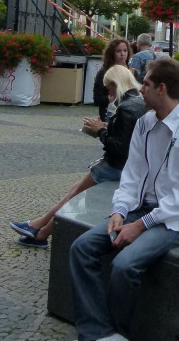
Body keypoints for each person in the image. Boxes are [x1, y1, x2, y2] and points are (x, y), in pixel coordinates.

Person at [59, 58, 179, 341]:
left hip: (178, 220)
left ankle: (107, 336)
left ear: (162, 89)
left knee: (125, 264)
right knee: (82, 248)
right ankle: (99, 333)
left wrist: (140, 225)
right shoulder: (144, 122)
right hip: (143, 210)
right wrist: (119, 212)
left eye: (146, 84)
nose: (140, 89)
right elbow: (132, 174)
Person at [10, 65, 145, 249]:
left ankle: (39, 231)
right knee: (74, 191)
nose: (109, 92)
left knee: (74, 195)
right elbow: (128, 136)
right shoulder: (137, 101)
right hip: (123, 165)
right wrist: (106, 127)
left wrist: (100, 131)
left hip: (114, 166)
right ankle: (38, 228)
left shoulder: (126, 107)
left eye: (109, 87)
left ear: (116, 83)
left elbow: (119, 147)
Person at [92, 37, 132, 121]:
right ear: (112, 53)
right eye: (118, 51)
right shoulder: (103, 72)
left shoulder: (131, 71)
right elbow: (97, 99)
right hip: (109, 113)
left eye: (125, 51)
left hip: (128, 113)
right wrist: (109, 98)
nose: (122, 54)